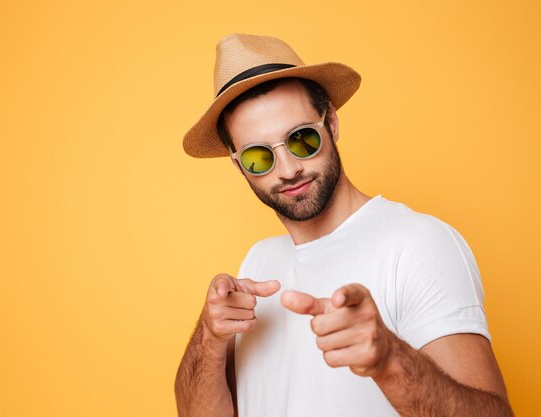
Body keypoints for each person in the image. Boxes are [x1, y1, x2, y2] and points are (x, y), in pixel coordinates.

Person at [175, 33, 514, 417]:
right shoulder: (258, 263)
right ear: (239, 166)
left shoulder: (419, 244)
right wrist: (209, 336)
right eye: (258, 157)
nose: (288, 170)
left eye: (301, 139)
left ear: (331, 123)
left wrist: (390, 360)